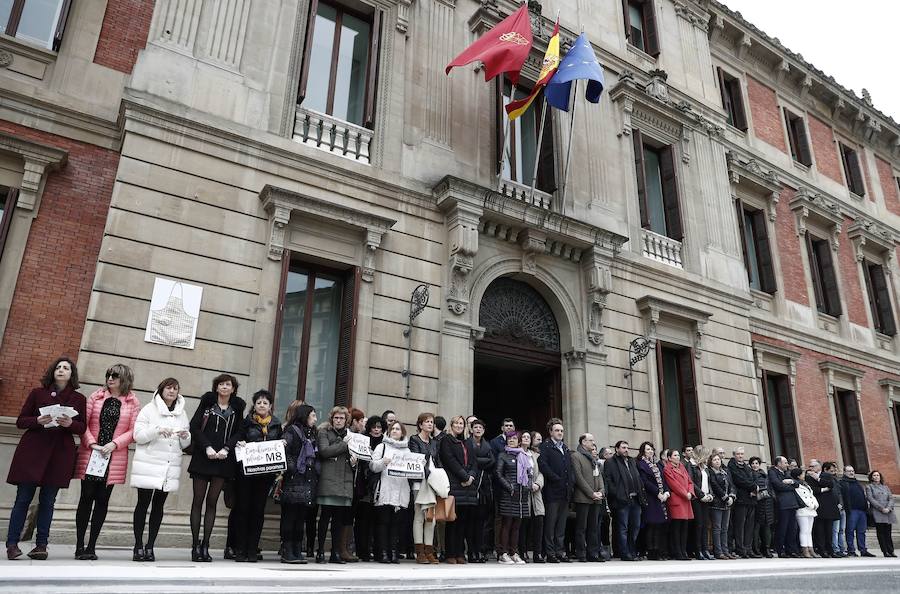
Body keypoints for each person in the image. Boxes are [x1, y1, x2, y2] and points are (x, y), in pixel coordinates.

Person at [5, 357, 87, 561]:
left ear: (71, 374)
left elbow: (82, 427)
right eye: (58, 367)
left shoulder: (78, 398)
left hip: (59, 454)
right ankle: (12, 544)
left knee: (48, 501)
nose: (61, 370)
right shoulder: (37, 393)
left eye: (66, 368)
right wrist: (37, 420)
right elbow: (21, 421)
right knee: (22, 499)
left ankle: (41, 545)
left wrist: (70, 423)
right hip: (33, 450)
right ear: (53, 372)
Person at [74, 363, 140, 560]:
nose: (110, 378)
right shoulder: (96, 396)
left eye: (115, 375)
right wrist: (92, 444)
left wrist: (114, 444)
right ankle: (79, 545)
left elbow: (134, 430)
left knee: (102, 500)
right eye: (108, 374)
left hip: (113, 456)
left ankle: (91, 546)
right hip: (92, 453)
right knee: (86, 497)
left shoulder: (132, 401)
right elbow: (82, 424)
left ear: (124, 379)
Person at [129, 377, 190, 562]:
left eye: (175, 389)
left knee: (158, 506)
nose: (171, 391)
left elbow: (185, 443)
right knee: (143, 504)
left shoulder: (182, 413)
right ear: (161, 389)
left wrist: (186, 436)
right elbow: (138, 436)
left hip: (168, 466)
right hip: (149, 463)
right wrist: (156, 430)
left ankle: (150, 546)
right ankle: (138, 545)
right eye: (168, 388)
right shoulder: (149, 409)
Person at [188, 374, 245, 562]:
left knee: (212, 501)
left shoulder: (237, 408)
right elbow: (194, 427)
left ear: (233, 389)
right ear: (216, 387)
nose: (224, 387)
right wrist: (207, 447)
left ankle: (206, 545)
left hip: (223, 460)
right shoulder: (207, 404)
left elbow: (240, 431)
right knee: (198, 500)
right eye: (221, 384)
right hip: (203, 458)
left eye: (228, 384)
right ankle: (195, 545)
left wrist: (227, 448)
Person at [232, 390, 283, 562]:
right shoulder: (246, 423)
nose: (262, 405)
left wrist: (282, 444)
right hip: (246, 475)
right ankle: (240, 549)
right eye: (259, 402)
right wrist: (241, 443)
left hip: (265, 476)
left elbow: (281, 447)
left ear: (270, 406)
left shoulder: (276, 425)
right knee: (243, 510)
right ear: (254, 405)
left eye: (265, 403)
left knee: (258, 512)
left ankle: (252, 549)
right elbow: (237, 439)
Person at [316, 406, 357, 563]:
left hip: (344, 481)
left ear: (346, 420)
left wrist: (354, 462)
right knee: (325, 518)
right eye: (336, 418)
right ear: (331, 419)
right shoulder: (324, 432)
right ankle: (320, 551)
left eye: (341, 418)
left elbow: (355, 453)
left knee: (338, 521)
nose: (339, 421)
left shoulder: (351, 435)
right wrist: (343, 444)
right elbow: (324, 451)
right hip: (329, 480)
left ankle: (335, 552)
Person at [280, 402, 319, 564]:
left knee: (301, 517)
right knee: (291, 515)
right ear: (305, 416)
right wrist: (293, 468)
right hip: (294, 478)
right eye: (313, 416)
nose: (315, 419)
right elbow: (284, 450)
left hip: (308, 479)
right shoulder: (292, 430)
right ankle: (288, 550)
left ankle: (297, 549)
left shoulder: (312, 433)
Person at [368, 420, 411, 563]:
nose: (395, 431)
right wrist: (383, 462)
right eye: (393, 429)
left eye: (398, 429)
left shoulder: (407, 450)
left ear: (402, 433)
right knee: (383, 523)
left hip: (401, 490)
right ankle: (383, 553)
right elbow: (373, 465)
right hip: (385, 489)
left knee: (396, 525)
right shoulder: (382, 446)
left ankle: (393, 552)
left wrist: (418, 466)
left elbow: (412, 471)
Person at [440, 415, 477, 564]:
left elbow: (475, 462)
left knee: (463, 522)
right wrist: (464, 477)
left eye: (461, 423)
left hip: (468, 487)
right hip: (455, 484)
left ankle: (460, 553)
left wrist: (471, 477)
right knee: (452, 521)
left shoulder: (468, 442)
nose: (459, 425)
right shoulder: (447, 440)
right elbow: (450, 461)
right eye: (456, 423)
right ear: (451, 425)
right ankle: (450, 553)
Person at [538, 418, 574, 563]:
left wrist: (570, 484)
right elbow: (543, 465)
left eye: (561, 431)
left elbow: (570, 469)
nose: (560, 433)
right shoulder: (545, 447)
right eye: (557, 430)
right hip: (552, 492)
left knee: (561, 526)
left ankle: (560, 552)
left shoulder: (565, 448)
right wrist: (556, 478)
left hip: (565, 492)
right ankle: (550, 552)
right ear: (551, 432)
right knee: (550, 525)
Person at [603, 440, 645, 561]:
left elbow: (637, 477)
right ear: (617, 449)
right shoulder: (610, 462)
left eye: (627, 447)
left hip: (635, 499)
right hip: (622, 501)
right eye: (623, 447)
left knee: (635, 526)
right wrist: (618, 495)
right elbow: (609, 481)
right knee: (623, 528)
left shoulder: (632, 461)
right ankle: (624, 553)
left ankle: (632, 551)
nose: (626, 450)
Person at [495, 431, 532, 564]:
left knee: (517, 525)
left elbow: (529, 473)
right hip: (508, 494)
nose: (512, 440)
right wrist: (509, 487)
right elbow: (498, 473)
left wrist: (528, 486)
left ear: (519, 441)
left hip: (522, 495)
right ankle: (503, 553)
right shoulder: (503, 455)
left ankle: (513, 552)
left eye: (515, 438)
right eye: (510, 438)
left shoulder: (524, 455)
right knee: (507, 524)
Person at [409, 412, 439, 564]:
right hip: (420, 482)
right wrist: (430, 476)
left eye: (432, 422)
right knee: (419, 516)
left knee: (431, 519)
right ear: (420, 424)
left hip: (433, 483)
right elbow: (417, 460)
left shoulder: (434, 442)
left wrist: (439, 478)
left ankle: (429, 551)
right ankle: (419, 552)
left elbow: (437, 462)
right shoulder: (414, 440)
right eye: (427, 422)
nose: (430, 424)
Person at [353, 415, 383, 562]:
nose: (376, 430)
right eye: (374, 427)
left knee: (376, 522)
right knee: (362, 521)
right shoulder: (362, 439)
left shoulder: (385, 442)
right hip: (363, 486)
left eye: (379, 427)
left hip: (379, 487)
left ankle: (376, 550)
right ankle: (362, 550)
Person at [571, 433, 604, 562]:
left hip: (596, 498)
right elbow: (578, 478)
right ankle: (581, 553)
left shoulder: (593, 458)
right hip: (583, 498)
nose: (593, 442)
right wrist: (592, 493)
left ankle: (593, 553)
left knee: (594, 527)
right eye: (591, 440)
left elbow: (599, 476)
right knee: (581, 527)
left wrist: (601, 491)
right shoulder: (576, 456)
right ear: (583, 442)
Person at [636, 442, 669, 561]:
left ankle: (658, 550)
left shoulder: (656, 464)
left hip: (660, 498)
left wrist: (666, 492)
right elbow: (645, 481)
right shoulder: (641, 464)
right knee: (651, 525)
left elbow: (663, 479)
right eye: (648, 449)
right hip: (650, 497)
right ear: (643, 451)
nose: (650, 451)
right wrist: (657, 493)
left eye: (651, 449)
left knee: (659, 525)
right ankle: (651, 551)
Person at [468, 418, 495, 563]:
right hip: (470, 485)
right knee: (470, 522)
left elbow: (492, 462)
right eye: (476, 427)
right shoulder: (466, 443)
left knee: (481, 523)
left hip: (484, 488)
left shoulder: (488, 446)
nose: (478, 429)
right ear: (471, 429)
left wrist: (476, 461)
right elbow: (467, 461)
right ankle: (471, 552)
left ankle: (480, 550)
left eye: (481, 428)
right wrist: (480, 461)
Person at [663, 449, 694, 561]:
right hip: (677, 500)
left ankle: (683, 551)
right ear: (669, 458)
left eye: (678, 455)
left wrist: (690, 492)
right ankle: (677, 552)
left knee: (684, 527)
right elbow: (673, 484)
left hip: (686, 500)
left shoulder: (682, 467)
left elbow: (690, 481)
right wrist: (685, 493)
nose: (677, 457)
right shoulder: (667, 468)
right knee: (677, 527)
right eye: (675, 455)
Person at [726, 447, 757, 558]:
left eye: (742, 454)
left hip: (751, 499)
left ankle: (748, 548)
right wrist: (753, 487)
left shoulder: (746, 466)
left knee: (749, 526)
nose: (740, 456)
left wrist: (754, 488)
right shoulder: (731, 466)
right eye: (738, 454)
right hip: (740, 500)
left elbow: (752, 477)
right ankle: (740, 549)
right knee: (740, 526)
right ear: (734, 455)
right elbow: (738, 480)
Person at [768, 455, 799, 558]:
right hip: (782, 504)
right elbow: (778, 485)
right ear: (779, 464)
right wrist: (790, 486)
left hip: (792, 503)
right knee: (782, 528)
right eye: (785, 462)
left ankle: (791, 550)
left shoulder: (786, 473)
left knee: (792, 528)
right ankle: (780, 550)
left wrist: (790, 482)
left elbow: (797, 484)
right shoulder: (772, 472)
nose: (787, 465)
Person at [807, 459, 839, 558]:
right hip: (818, 506)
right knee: (819, 531)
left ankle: (831, 550)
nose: (810, 468)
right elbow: (811, 489)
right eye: (810, 466)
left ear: (819, 467)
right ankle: (822, 550)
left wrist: (818, 479)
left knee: (829, 530)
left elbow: (831, 485)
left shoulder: (826, 475)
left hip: (829, 506)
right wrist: (822, 489)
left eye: (813, 466)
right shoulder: (808, 477)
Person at [522, 431, 546, 563]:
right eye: (524, 437)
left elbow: (541, 472)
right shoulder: (518, 454)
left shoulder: (536, 455)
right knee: (524, 524)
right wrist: (527, 485)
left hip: (536, 493)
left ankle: (537, 554)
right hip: (524, 493)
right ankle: (523, 551)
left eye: (527, 437)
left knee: (539, 522)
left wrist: (538, 483)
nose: (526, 439)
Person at [840, 465, 873, 557]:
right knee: (850, 531)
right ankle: (851, 550)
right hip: (851, 510)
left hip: (862, 511)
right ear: (844, 472)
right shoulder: (842, 483)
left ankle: (863, 550)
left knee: (861, 531)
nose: (851, 473)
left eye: (853, 471)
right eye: (849, 471)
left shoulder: (857, 483)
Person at [707, 452, 736, 559]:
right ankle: (718, 552)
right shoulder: (711, 472)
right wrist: (725, 497)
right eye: (714, 460)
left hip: (727, 504)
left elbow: (732, 485)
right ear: (710, 462)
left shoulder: (725, 472)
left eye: (718, 459)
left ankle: (726, 550)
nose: (717, 461)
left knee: (725, 528)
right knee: (717, 528)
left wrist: (732, 497)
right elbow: (714, 485)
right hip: (717, 503)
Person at [866, 470, 897, 557]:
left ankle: (891, 551)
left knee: (888, 532)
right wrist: (881, 508)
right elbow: (871, 499)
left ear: (880, 477)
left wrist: (888, 508)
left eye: (878, 475)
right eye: (874, 475)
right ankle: (885, 551)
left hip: (888, 512)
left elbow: (891, 498)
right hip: (878, 512)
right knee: (881, 533)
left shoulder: (886, 487)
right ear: (871, 477)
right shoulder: (869, 487)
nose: (876, 477)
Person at [748, 456, 773, 558]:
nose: (755, 465)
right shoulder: (749, 474)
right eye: (753, 463)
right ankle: (756, 549)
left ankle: (766, 548)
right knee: (756, 527)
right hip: (756, 502)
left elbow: (770, 488)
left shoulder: (765, 475)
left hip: (767, 503)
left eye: (756, 463)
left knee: (767, 526)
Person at [692, 446, 714, 560]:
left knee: (706, 525)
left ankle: (705, 549)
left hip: (706, 498)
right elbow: (692, 483)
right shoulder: (692, 467)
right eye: (706, 454)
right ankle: (698, 550)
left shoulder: (705, 468)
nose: (708, 457)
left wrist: (710, 494)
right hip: (697, 499)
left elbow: (709, 483)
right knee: (699, 525)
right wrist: (701, 495)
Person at [793, 467, 819, 558]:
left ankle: (810, 548)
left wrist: (815, 504)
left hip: (811, 510)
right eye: (802, 474)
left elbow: (811, 495)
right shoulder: (796, 485)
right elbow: (801, 498)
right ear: (798, 475)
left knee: (809, 531)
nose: (804, 475)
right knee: (804, 530)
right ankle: (804, 549)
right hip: (803, 510)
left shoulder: (806, 484)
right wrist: (810, 505)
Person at [824, 462, 847, 557]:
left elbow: (839, 494)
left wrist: (841, 504)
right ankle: (835, 549)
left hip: (841, 508)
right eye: (832, 470)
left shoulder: (836, 480)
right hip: (835, 508)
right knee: (835, 530)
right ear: (826, 470)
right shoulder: (828, 480)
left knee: (841, 530)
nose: (834, 472)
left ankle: (842, 549)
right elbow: (832, 494)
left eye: (835, 470)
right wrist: (837, 504)